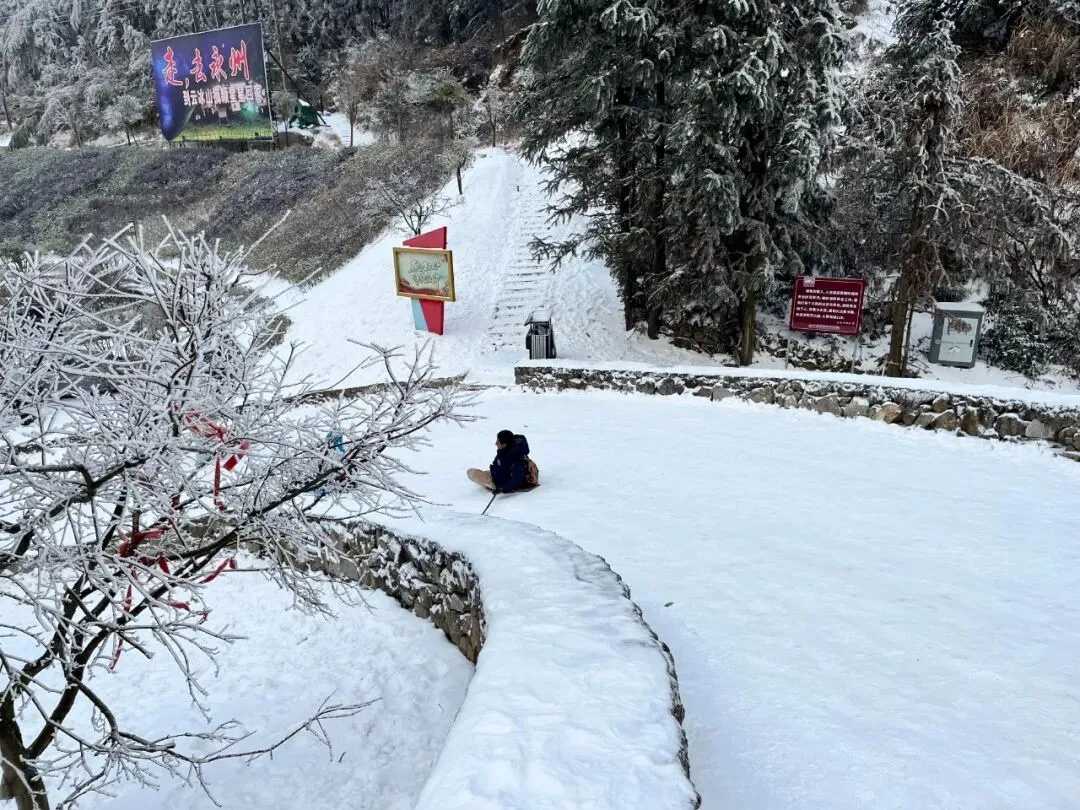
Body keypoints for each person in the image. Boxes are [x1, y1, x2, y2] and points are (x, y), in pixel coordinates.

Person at [467, 430, 538, 493]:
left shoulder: (515, 458)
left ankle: (492, 483)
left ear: (504, 445)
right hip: (501, 475)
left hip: (502, 483)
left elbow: (517, 479)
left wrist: (502, 489)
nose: (496, 443)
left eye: (498, 442)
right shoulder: (506, 451)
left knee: (471, 472)